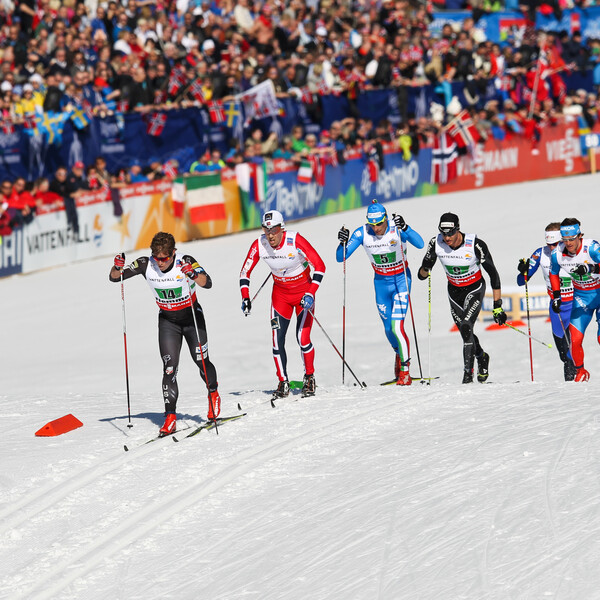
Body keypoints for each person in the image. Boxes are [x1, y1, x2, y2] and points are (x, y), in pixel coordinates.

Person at [109, 231, 221, 435]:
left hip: (191, 318)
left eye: (164, 258)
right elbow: (115, 278)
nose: (160, 262)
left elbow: (208, 282)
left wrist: (193, 274)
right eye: (156, 257)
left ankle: (213, 394)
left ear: (173, 253)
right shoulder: (145, 264)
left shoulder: (185, 261)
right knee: (169, 368)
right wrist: (117, 266)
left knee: (201, 361)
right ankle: (170, 417)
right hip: (168, 322)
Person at [239, 210, 326, 398]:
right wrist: (245, 296)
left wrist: (311, 293)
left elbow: (320, 266)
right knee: (276, 341)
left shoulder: (295, 240)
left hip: (304, 294)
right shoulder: (259, 244)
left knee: (303, 338)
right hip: (280, 297)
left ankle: (309, 377)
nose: (270, 235)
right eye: (266, 229)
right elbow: (245, 272)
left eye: (274, 229)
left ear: (282, 228)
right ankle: (283, 381)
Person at [336, 200, 424, 385]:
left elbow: (420, 243)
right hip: (381, 284)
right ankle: (399, 355)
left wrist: (406, 228)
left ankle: (405, 371)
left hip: (401, 281)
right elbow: (340, 257)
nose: (375, 228)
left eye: (379, 223)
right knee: (387, 329)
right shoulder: (362, 232)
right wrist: (342, 241)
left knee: (396, 326)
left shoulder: (396, 227)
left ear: (386, 218)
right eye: (372, 223)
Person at [417, 212, 507, 384]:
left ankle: (467, 376)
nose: (447, 237)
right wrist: (425, 266)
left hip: (475, 289)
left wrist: (498, 305)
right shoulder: (436, 243)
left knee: (466, 326)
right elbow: (421, 275)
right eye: (443, 233)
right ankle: (481, 356)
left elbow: (493, 275)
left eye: (450, 233)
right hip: (454, 293)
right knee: (466, 333)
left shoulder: (475, 245)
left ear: (458, 230)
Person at [517, 223, 576, 381]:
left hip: (575, 305)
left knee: (572, 350)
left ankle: (574, 387)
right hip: (556, 307)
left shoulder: (573, 253)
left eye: (555, 244)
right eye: (549, 244)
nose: (551, 248)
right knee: (563, 353)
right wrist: (523, 270)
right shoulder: (540, 254)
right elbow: (521, 281)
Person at [549, 218, 600, 382]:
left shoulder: (591, 247)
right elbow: (553, 273)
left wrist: (591, 268)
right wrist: (557, 295)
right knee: (575, 341)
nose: (568, 243)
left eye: (572, 239)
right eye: (565, 240)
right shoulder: (557, 253)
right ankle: (580, 371)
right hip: (582, 297)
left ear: (579, 236)